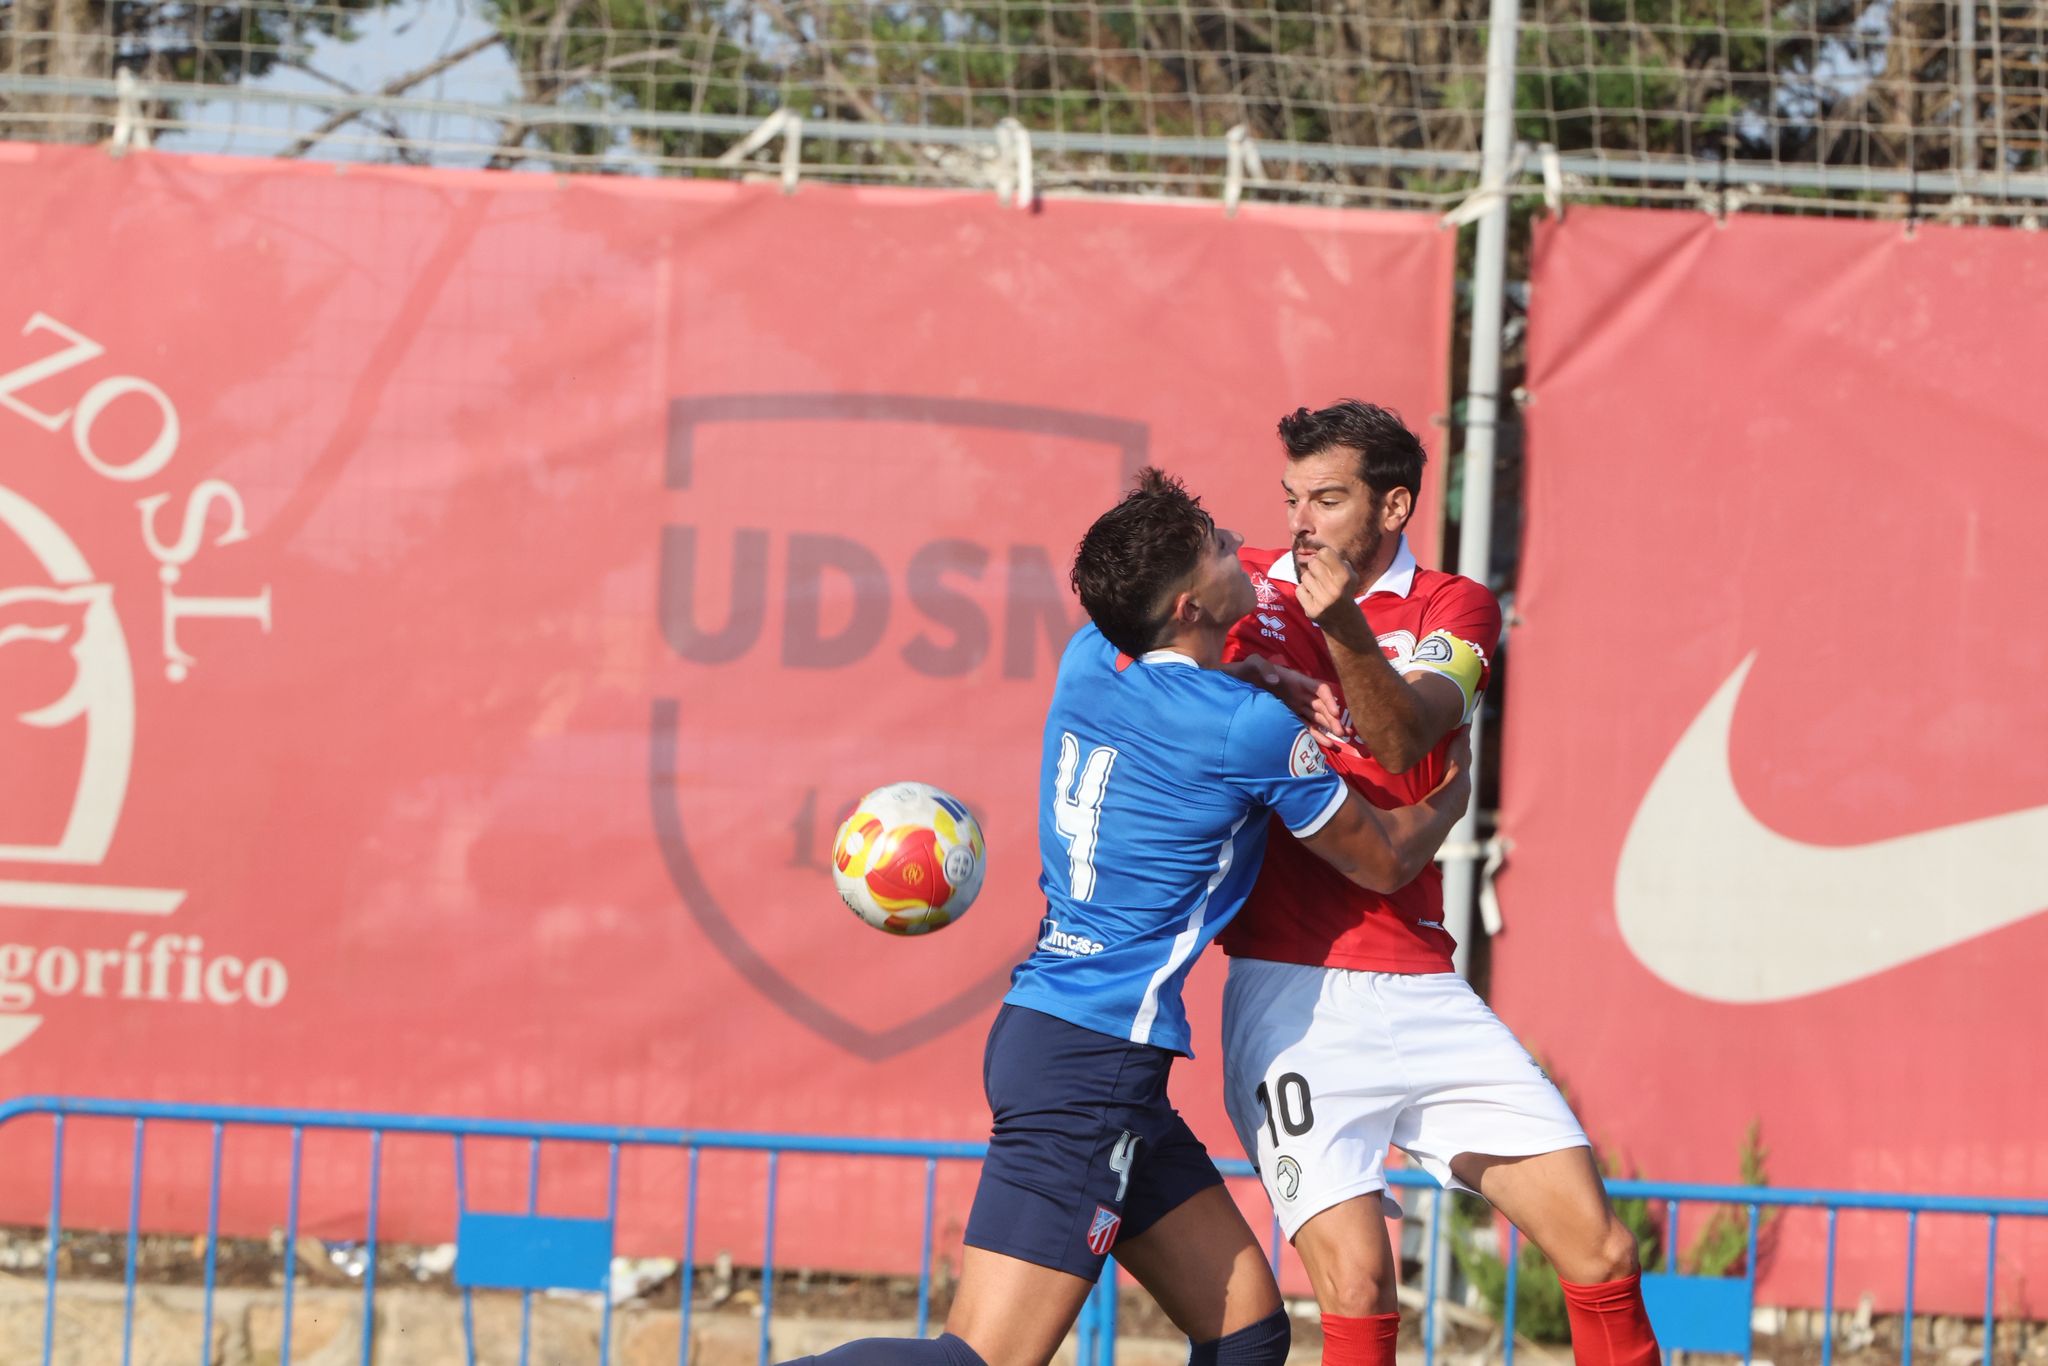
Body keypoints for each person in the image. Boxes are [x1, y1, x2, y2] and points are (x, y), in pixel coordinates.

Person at [784, 467, 1472, 1366]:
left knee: (1248, 1332)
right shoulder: (1242, 727)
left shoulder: (1089, 658)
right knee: (982, 1359)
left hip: (1073, 1047)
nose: (1241, 551)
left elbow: (1181, 698)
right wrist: (1449, 792)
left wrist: (1252, 671)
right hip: (1093, 1064)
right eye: (1223, 548)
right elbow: (1383, 859)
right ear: (1192, 602)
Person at [1216, 400, 1661, 1366]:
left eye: (1329, 499)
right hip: (1292, 991)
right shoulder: (1245, 590)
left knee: (1602, 1250)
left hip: (1423, 988)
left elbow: (1405, 736)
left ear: (1394, 506)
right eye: (1292, 497)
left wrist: (1340, 630)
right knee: (1359, 1286)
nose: (1302, 522)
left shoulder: (1454, 607)